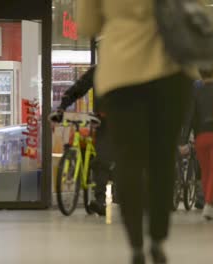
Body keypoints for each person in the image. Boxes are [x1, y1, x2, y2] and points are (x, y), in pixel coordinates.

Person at [77, 1, 196, 263]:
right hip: (171, 71)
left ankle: (135, 245)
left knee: (128, 159)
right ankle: (157, 238)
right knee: (162, 159)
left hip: (122, 73)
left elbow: (87, 24)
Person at [49, 66, 114, 216]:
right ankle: (96, 196)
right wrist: (62, 107)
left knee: (105, 159)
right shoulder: (98, 71)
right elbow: (79, 88)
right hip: (102, 121)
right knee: (95, 156)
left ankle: (102, 199)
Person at [180, 63, 213, 220]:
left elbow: (189, 117)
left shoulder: (195, 93)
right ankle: (209, 204)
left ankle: (208, 202)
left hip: (200, 138)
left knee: (205, 171)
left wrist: (183, 141)